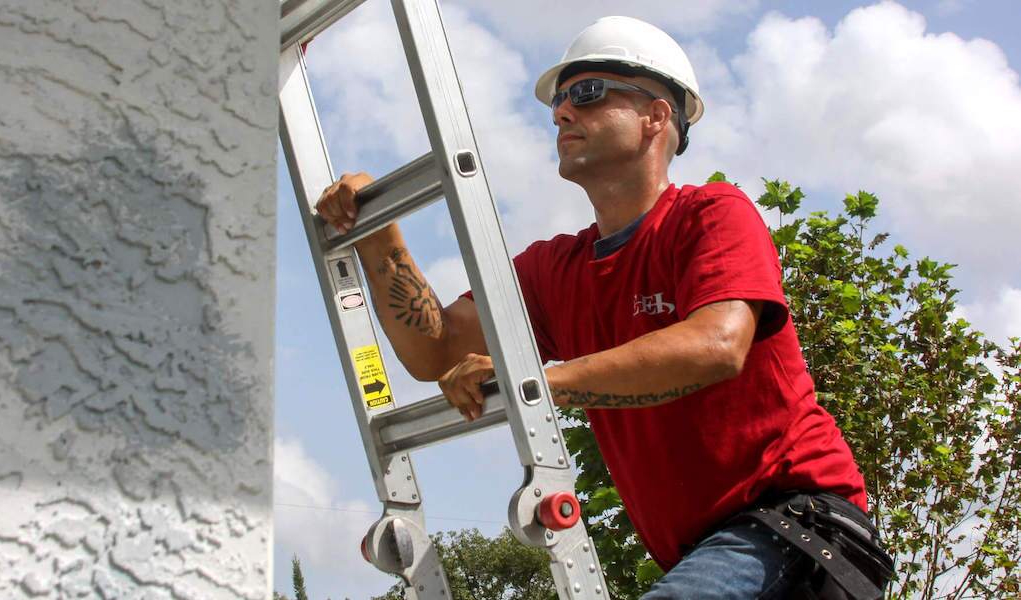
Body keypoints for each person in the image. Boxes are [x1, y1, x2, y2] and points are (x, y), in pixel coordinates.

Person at [315, 16, 888, 600]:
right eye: (559, 102)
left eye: (587, 94)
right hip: (703, 554)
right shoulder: (553, 270)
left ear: (657, 117)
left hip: (801, 531)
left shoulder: (712, 215)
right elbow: (434, 352)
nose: (563, 113)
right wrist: (376, 234)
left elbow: (717, 345)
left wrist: (538, 383)